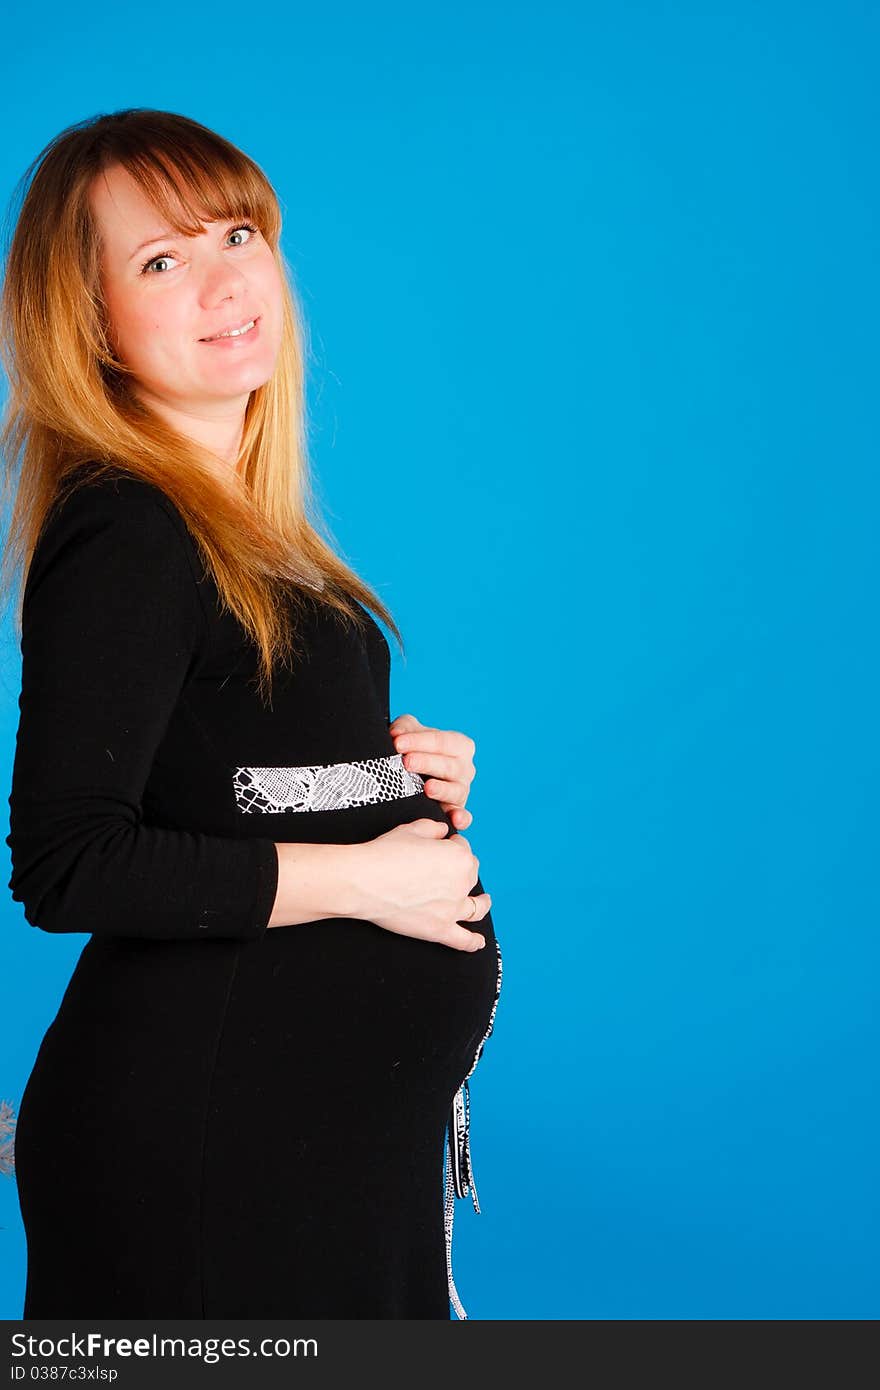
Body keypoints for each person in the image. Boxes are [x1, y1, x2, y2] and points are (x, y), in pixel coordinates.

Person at [0, 108, 502, 1320]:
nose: (225, 281)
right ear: (93, 323)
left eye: (238, 234)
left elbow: (216, 779)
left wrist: (385, 779)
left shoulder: (240, 531)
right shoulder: (129, 529)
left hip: (300, 1149)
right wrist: (366, 882)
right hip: (217, 1154)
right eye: (162, 261)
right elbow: (67, 862)